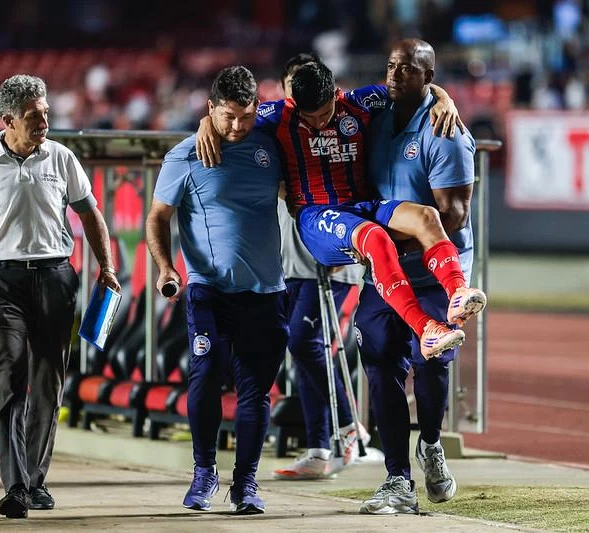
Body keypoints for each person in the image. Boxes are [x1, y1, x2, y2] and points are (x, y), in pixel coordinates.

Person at [196, 62, 486, 362]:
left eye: (325, 114)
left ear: (337, 94)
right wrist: (206, 123)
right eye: (310, 118)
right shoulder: (277, 115)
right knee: (375, 238)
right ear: (295, 103)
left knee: (426, 216)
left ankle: (458, 292)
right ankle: (426, 329)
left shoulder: (360, 101)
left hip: (362, 208)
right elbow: (230, 120)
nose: (320, 124)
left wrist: (443, 98)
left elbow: (413, 90)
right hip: (317, 215)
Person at [0, 74, 121, 519]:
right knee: (8, 374)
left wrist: (108, 267)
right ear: (7, 121)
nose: (44, 121)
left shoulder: (62, 158)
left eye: (46, 113)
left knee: (46, 381)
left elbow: (90, 213)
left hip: (56, 278)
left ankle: (35, 479)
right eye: (34, 116)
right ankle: (15, 485)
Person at [146, 65, 287, 515]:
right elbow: (157, 218)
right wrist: (167, 267)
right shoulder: (185, 156)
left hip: (265, 292)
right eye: (226, 117)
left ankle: (245, 483)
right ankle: (203, 471)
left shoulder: (270, 145)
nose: (236, 126)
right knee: (205, 375)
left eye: (246, 117)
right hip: (208, 291)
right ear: (210, 109)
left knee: (255, 392)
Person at [355, 39, 477, 515]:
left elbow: (456, 215)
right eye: (390, 66)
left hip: (433, 272)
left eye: (407, 69)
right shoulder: (374, 117)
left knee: (430, 362)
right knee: (378, 363)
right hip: (384, 271)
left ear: (427, 77)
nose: (394, 75)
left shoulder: (444, 130)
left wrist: (388, 243)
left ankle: (430, 443)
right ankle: (396, 480)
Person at [270, 53, 370, 481]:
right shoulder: (279, 126)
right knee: (301, 351)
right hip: (292, 260)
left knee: (304, 343)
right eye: (291, 88)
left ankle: (347, 431)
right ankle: (319, 447)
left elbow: (412, 93)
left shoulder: (348, 116)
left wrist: (442, 99)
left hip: (333, 258)